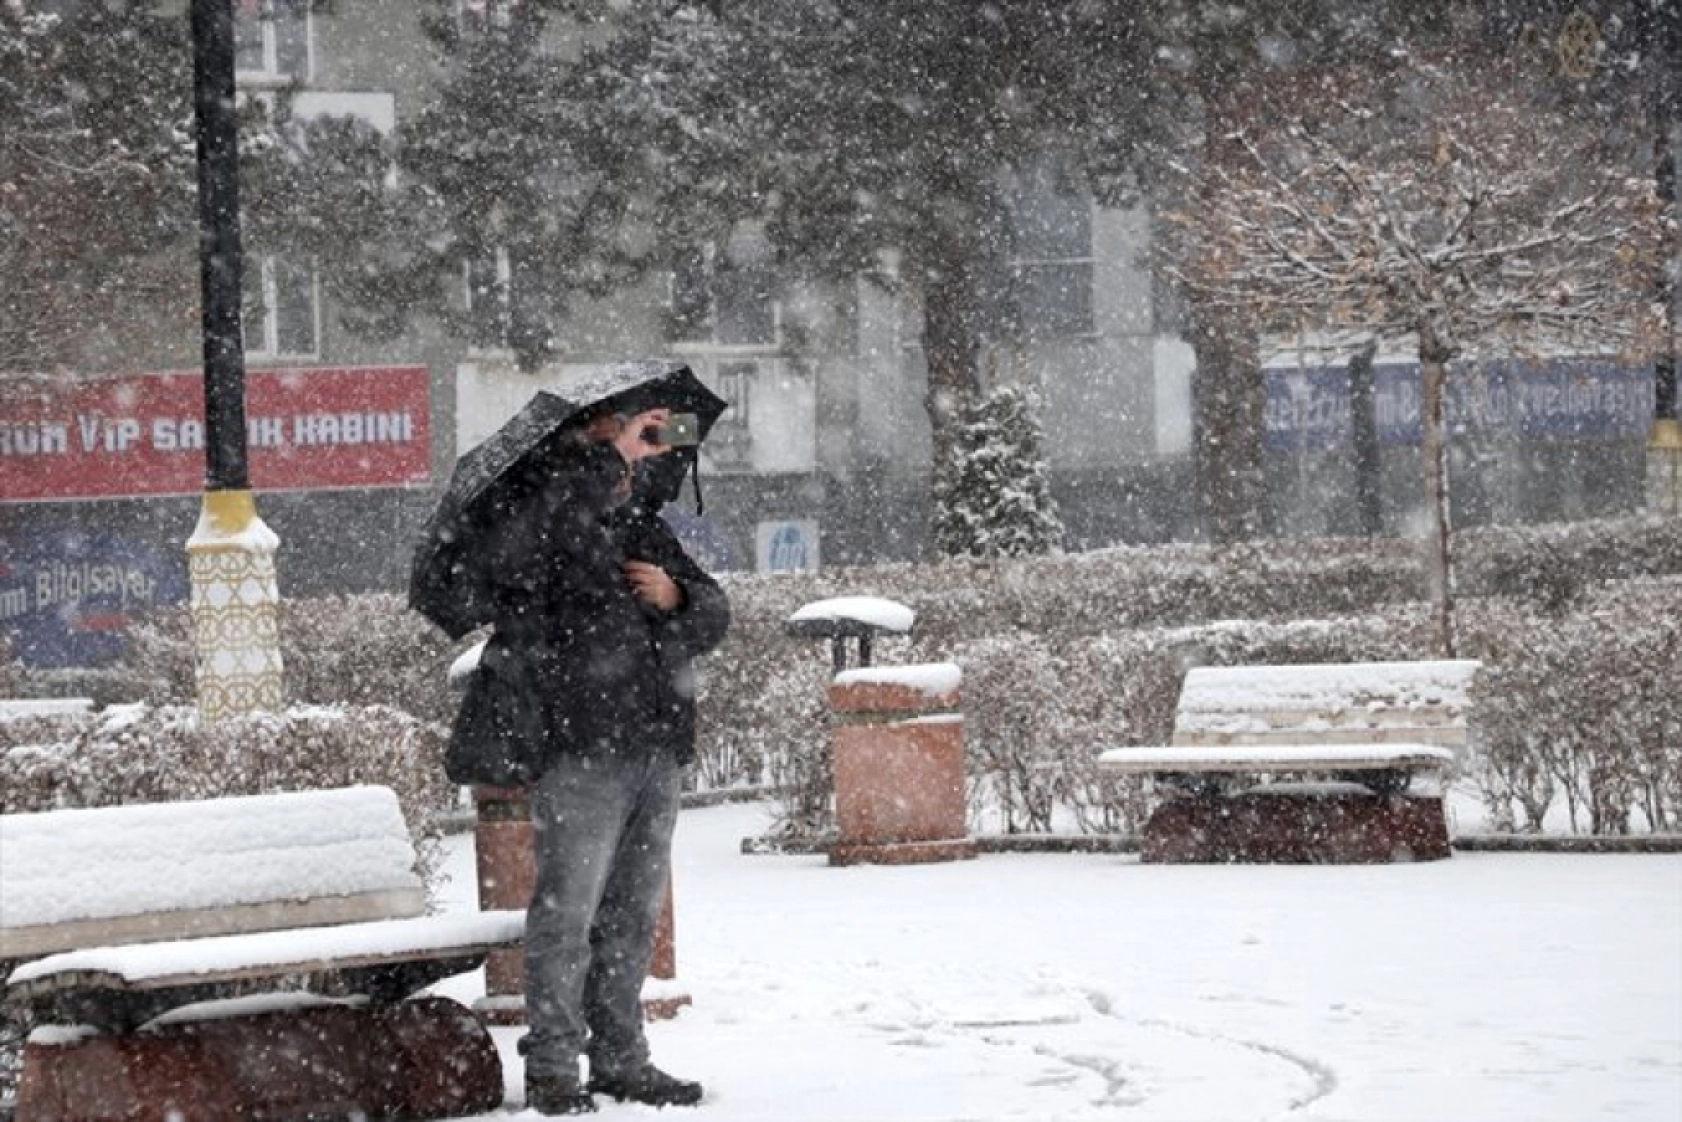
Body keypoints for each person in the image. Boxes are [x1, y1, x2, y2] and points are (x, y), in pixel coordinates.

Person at [454, 405, 729, 1115]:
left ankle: (620, 1058)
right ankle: (552, 1068)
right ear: (583, 441)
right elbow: (547, 560)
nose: (643, 446)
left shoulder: (641, 525)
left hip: (654, 749)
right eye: (622, 431)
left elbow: (715, 613)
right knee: (567, 915)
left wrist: (677, 596)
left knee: (632, 916)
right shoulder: (546, 517)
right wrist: (610, 458)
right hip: (581, 752)